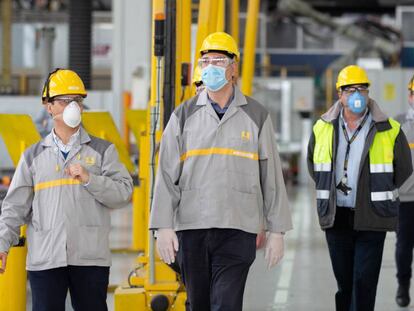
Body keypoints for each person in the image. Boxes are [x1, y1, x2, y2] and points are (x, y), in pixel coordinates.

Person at [149, 31, 292, 311]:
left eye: (218, 60)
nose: (211, 66)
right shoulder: (182, 116)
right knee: (198, 303)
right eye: (206, 61)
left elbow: (271, 177)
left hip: (238, 228)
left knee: (227, 303)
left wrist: (277, 231)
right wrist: (162, 226)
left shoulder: (256, 115)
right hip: (192, 228)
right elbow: (165, 175)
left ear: (233, 68)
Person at [0, 68, 133, 311]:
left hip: (90, 257)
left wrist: (90, 179)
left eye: (77, 101)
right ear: (48, 106)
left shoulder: (103, 151)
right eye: (64, 101)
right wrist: (2, 244)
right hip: (46, 259)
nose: (72, 106)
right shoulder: (33, 156)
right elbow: (14, 206)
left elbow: (123, 193)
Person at [307, 65, 412, 311]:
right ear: (340, 95)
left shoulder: (389, 129)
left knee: (364, 282)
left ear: (368, 93)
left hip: (372, 216)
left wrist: (377, 189)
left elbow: (404, 169)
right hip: (337, 217)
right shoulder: (322, 127)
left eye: (362, 89)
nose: (357, 95)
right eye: (351, 90)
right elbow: (314, 166)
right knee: (345, 284)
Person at [394, 75, 414, 307]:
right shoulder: (398, 125)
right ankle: (403, 285)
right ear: (410, 96)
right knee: (403, 247)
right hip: (405, 199)